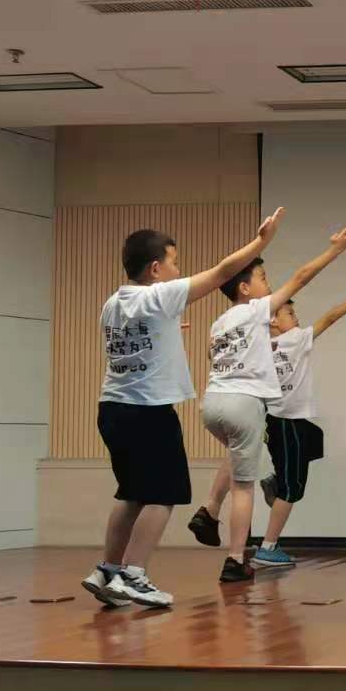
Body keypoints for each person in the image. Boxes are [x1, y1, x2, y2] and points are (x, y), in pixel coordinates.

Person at [81, 210, 283, 608]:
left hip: (112, 409)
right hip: (149, 412)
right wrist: (261, 242)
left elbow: (136, 340)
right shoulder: (160, 295)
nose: (178, 269)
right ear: (155, 268)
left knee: (131, 493)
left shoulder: (112, 303)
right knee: (163, 495)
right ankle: (135, 575)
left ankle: (107, 569)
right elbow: (222, 271)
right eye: (174, 261)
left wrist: (170, 331)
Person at [192, 222, 346, 583]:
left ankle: (209, 509)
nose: (268, 284)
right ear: (244, 288)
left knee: (237, 452)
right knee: (244, 485)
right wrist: (335, 250)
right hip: (243, 405)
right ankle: (236, 559)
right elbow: (301, 277)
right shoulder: (256, 310)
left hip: (212, 404)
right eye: (263, 278)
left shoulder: (220, 322)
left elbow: (211, 354)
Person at [241, 283, 346, 569]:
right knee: (293, 490)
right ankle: (268, 548)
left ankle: (277, 480)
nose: (296, 317)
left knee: (314, 436)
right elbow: (330, 317)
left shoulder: (257, 347)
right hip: (286, 422)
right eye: (289, 313)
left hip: (275, 422)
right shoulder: (295, 339)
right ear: (273, 320)